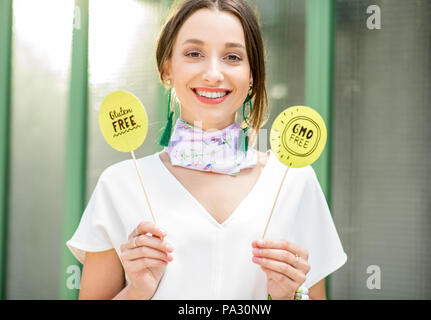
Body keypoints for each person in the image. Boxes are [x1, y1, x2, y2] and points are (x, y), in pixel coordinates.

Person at [66, 0, 347, 300]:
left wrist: (286, 297)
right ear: (167, 69)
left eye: (232, 56)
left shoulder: (293, 181)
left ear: (252, 75)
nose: (213, 73)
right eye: (194, 53)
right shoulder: (119, 185)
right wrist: (137, 291)